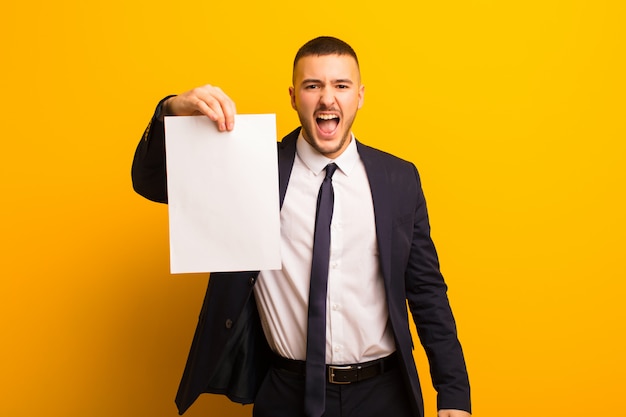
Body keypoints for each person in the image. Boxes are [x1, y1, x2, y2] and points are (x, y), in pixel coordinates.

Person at [132, 36, 471, 417]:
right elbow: (149, 182)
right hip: (286, 393)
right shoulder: (251, 171)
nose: (328, 99)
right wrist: (170, 110)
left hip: (383, 395)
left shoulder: (398, 179)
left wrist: (454, 396)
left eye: (341, 86)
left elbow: (427, 293)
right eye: (313, 86)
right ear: (294, 97)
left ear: (359, 96)